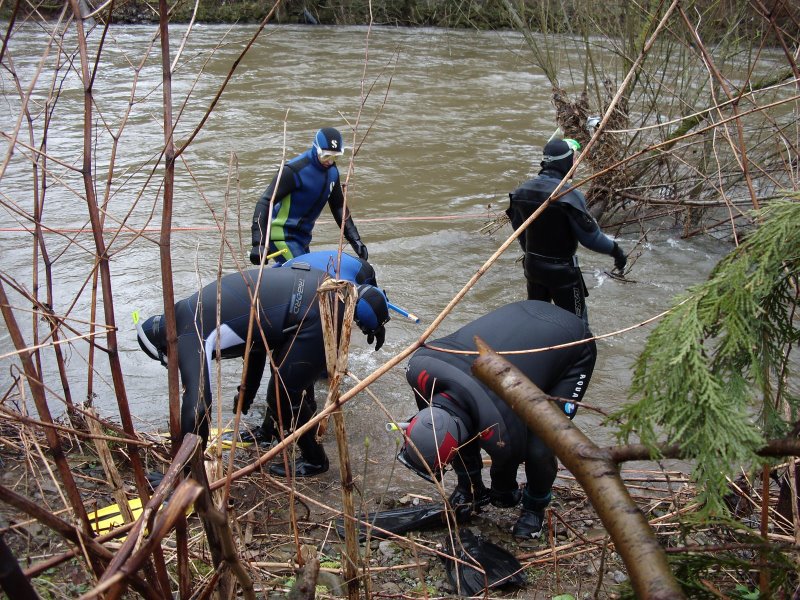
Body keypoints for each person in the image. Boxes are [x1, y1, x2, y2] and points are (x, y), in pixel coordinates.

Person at [136, 264, 390, 477]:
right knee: (290, 383)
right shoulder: (193, 308)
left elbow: (199, 406)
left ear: (165, 346)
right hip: (314, 294)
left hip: (314, 308)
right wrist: (245, 395)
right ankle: (272, 433)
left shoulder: (187, 334)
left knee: (283, 394)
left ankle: (315, 460)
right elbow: (255, 345)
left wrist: (186, 473)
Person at [396, 300, 596, 539]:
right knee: (463, 418)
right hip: (524, 314)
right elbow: (439, 417)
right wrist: (470, 484)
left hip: (572, 343)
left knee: (540, 446)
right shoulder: (419, 369)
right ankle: (471, 490)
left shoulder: (502, 430)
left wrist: (504, 492)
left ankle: (535, 508)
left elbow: (506, 469)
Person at [506, 138, 627, 324]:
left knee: (537, 321)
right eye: (574, 160)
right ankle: (580, 352)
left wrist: (535, 254)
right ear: (567, 162)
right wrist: (616, 252)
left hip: (532, 266)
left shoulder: (521, 192)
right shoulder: (568, 196)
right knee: (577, 325)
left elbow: (519, 231)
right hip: (562, 273)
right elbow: (591, 239)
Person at [250, 127, 368, 266]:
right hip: (282, 236)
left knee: (307, 273)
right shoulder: (294, 171)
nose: (329, 161)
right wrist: (259, 243)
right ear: (315, 148)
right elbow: (265, 201)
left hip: (303, 238)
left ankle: (273, 278)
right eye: (325, 156)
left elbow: (338, 206)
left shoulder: (333, 173)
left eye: (335, 157)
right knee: (306, 272)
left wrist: (355, 239)